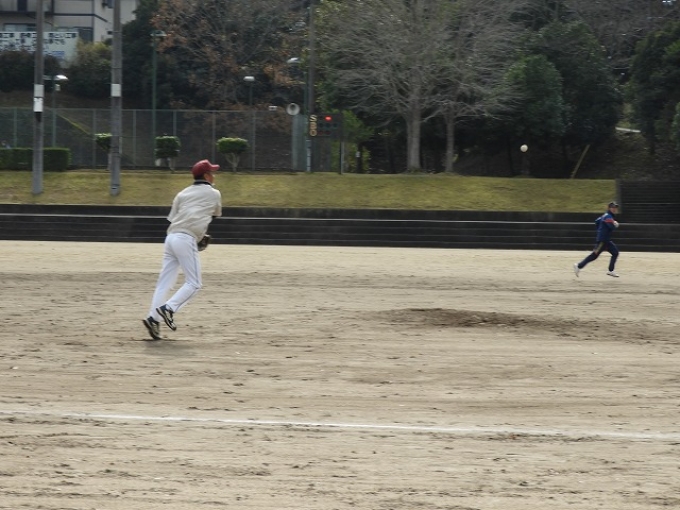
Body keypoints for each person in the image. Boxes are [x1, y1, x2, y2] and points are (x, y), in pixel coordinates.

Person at [142, 159, 222, 340]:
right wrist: (199, 236)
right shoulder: (214, 193)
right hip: (186, 239)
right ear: (206, 176)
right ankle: (169, 308)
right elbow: (214, 215)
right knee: (194, 284)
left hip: (171, 238)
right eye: (212, 173)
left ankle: (153, 319)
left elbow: (174, 218)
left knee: (164, 283)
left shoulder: (182, 193)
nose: (213, 176)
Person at [573, 201, 620, 278]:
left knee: (615, 253)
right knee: (594, 255)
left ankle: (611, 270)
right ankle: (578, 266)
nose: (614, 209)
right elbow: (611, 226)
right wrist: (615, 224)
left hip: (606, 240)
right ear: (609, 208)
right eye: (613, 207)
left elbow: (597, 221)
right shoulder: (608, 216)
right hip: (602, 241)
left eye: (615, 208)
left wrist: (601, 230)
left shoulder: (605, 215)